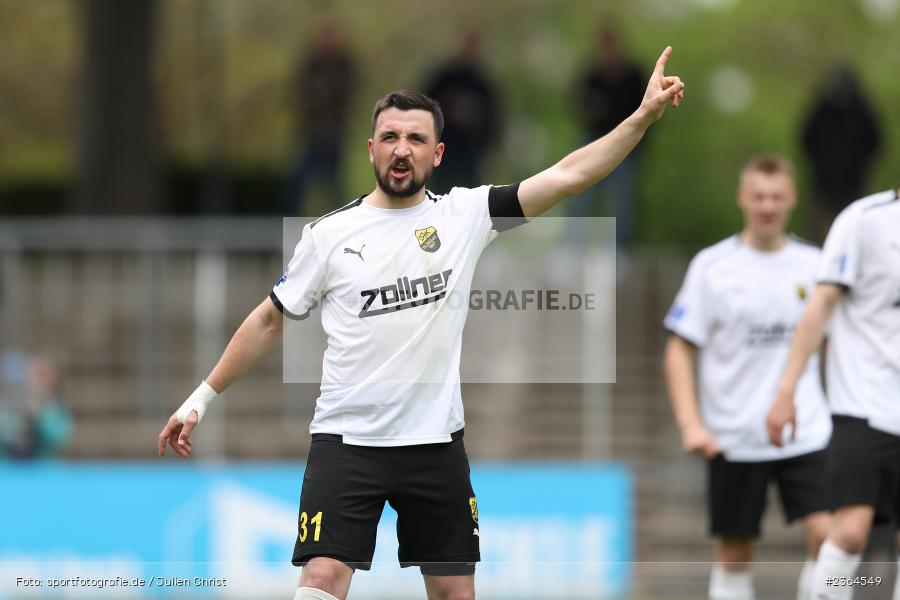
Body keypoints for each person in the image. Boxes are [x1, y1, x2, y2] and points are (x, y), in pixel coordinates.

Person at [158, 47, 684, 600]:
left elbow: (569, 175)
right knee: (320, 578)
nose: (401, 150)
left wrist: (641, 117)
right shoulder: (328, 236)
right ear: (370, 150)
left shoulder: (465, 216)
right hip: (347, 442)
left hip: (435, 445)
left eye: (414, 139)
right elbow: (269, 320)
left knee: (455, 591)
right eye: (389, 138)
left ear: (437, 152)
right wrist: (200, 399)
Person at [663, 155, 832, 600]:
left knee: (832, 542)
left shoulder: (816, 265)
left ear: (792, 199)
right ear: (743, 198)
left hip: (807, 428)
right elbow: (678, 348)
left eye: (776, 196)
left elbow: (834, 344)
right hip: (734, 433)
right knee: (735, 554)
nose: (767, 206)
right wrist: (690, 424)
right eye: (758, 196)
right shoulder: (712, 266)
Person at [766, 187, 900, 600]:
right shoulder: (864, 219)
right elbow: (820, 304)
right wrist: (786, 389)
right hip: (863, 402)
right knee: (849, 536)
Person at [569, 26, 646, 250]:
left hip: (625, 147)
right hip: (593, 142)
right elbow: (578, 104)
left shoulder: (633, 76)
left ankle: (619, 256)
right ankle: (573, 252)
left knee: (621, 205)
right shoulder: (592, 75)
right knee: (579, 196)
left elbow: (645, 112)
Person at [800, 65, 881, 243]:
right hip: (823, 183)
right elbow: (806, 139)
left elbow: (875, 142)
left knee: (857, 231)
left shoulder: (862, 113)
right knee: (818, 235)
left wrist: (860, 165)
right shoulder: (822, 113)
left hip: (854, 183)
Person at [284, 21, 359, 216]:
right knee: (299, 183)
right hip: (311, 134)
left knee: (334, 186)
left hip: (334, 135)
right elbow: (300, 94)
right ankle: (292, 227)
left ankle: (344, 224)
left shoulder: (345, 66)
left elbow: (344, 97)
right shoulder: (312, 65)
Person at [423, 30, 499, 194]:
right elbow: (426, 106)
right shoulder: (444, 78)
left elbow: (493, 118)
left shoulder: (483, 84)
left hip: (471, 150)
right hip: (445, 147)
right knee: (440, 193)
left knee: (473, 194)